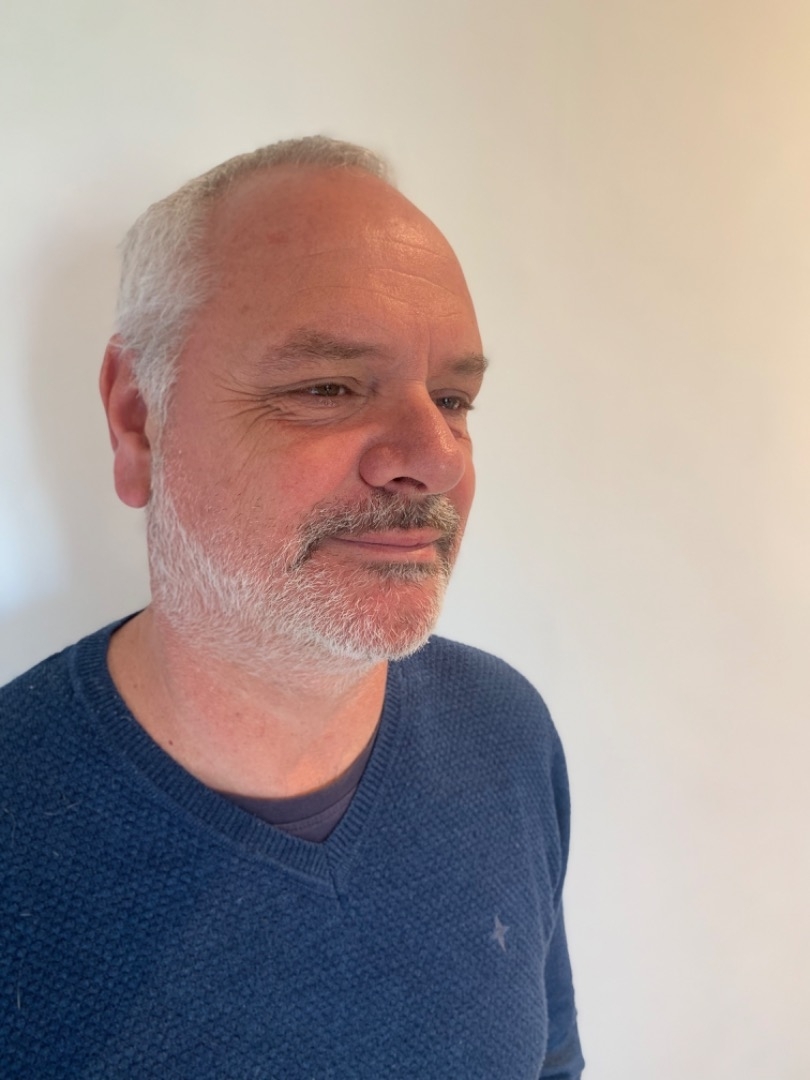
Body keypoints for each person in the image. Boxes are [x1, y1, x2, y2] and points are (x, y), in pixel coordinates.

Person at [0, 137, 584, 1078]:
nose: (435, 457)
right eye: (328, 387)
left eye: (453, 398)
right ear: (138, 420)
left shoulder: (504, 734)